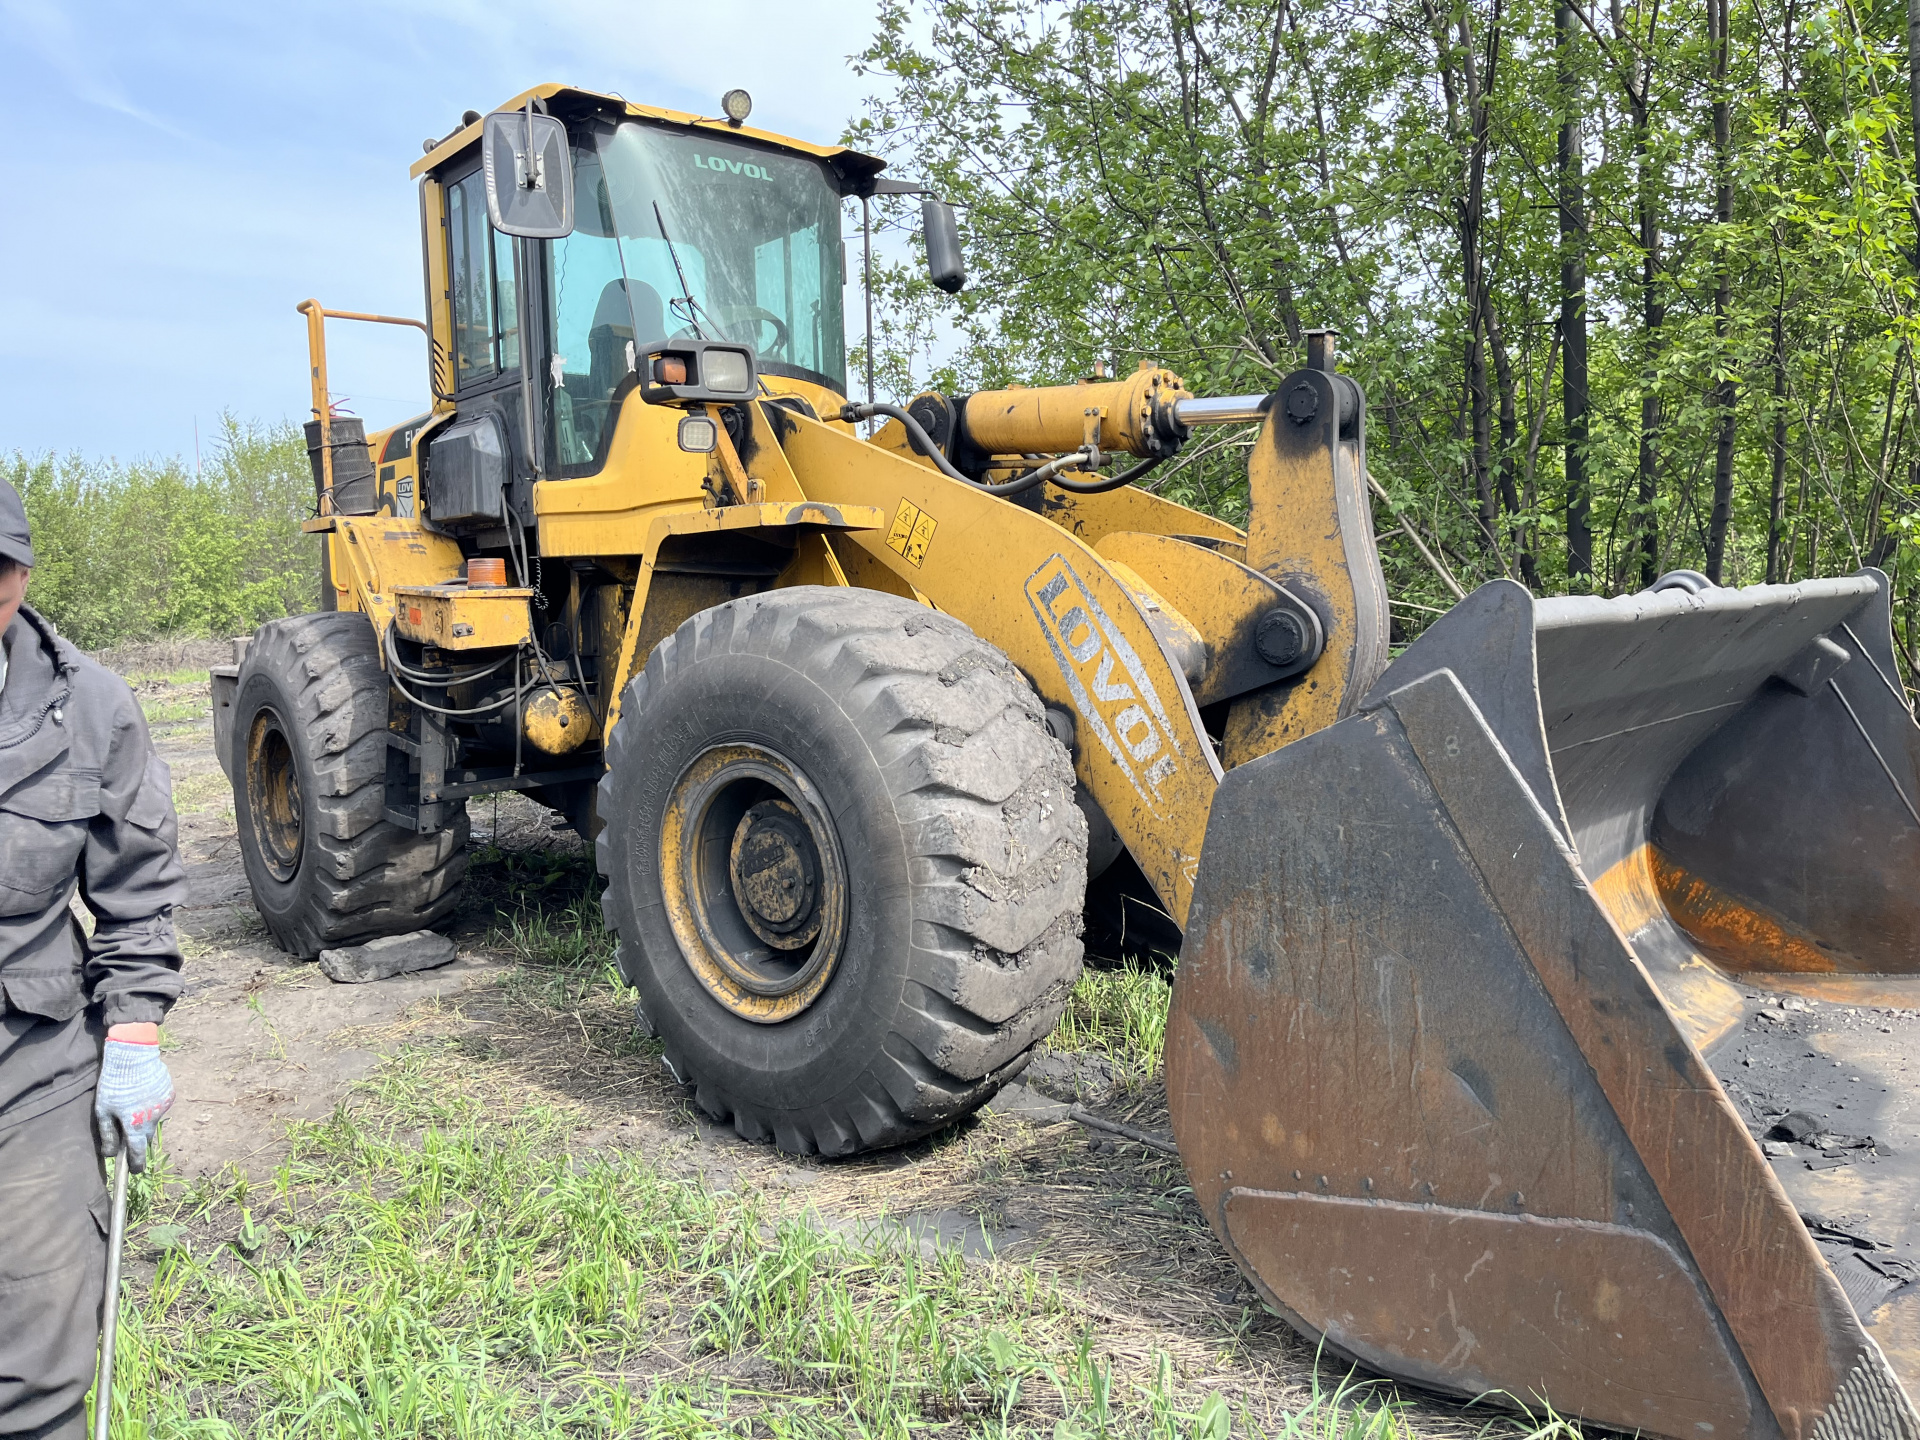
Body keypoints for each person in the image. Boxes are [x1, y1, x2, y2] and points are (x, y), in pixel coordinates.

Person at [0, 478, 185, 1440]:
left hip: (26, 1059)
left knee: (34, 1357)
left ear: (19, 576)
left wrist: (136, 1032)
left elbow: (138, 887)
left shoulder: (89, 708)